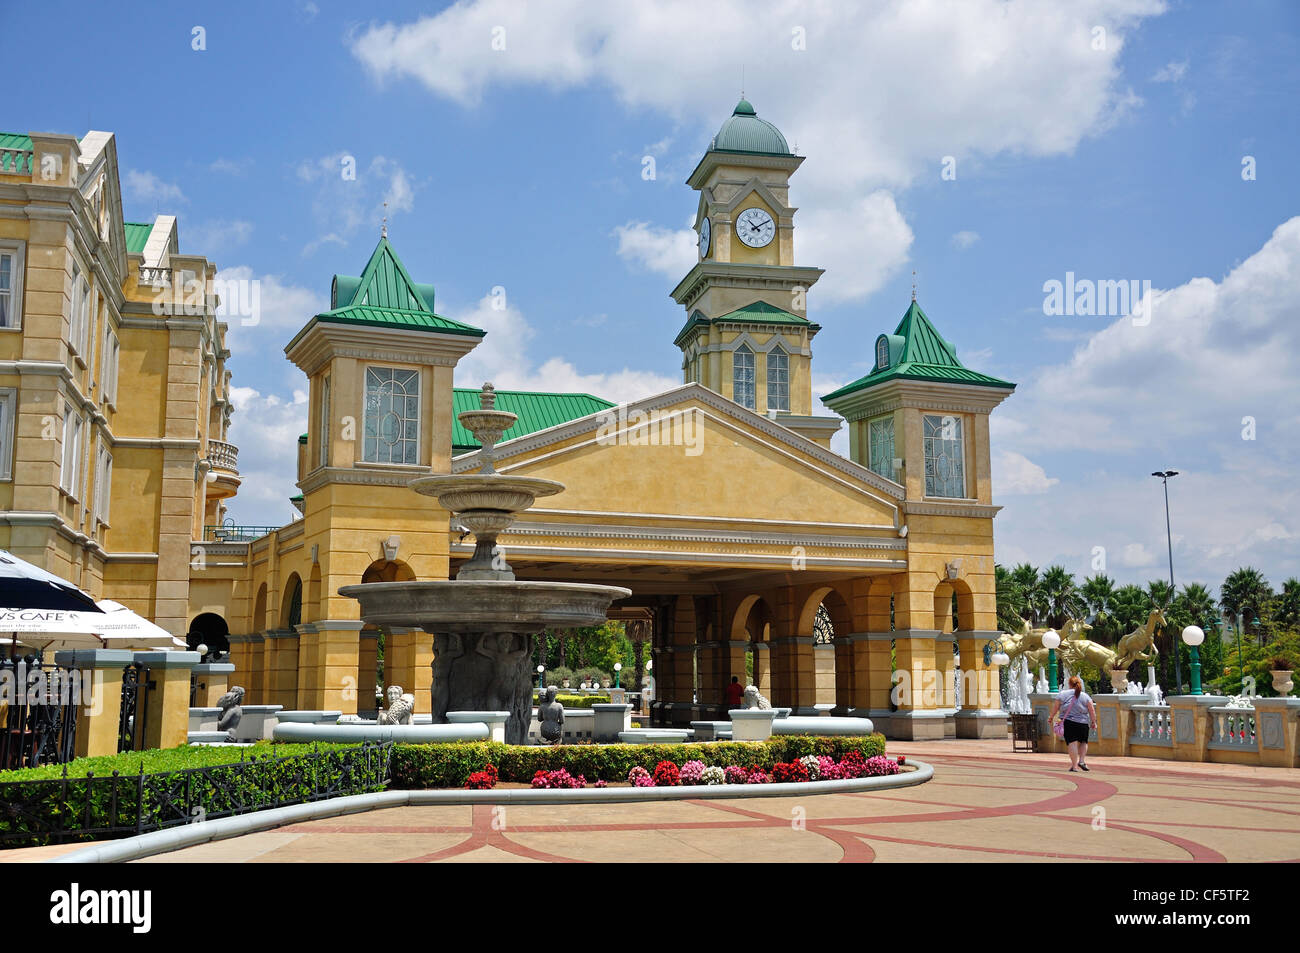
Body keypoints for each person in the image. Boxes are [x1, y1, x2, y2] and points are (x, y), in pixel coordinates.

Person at [1049, 675, 1098, 772]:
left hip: (1069, 722)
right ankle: (1082, 761)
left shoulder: (1062, 694)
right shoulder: (1085, 696)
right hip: (1083, 723)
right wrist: (1093, 722)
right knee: (1084, 742)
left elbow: (1056, 707)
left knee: (1072, 743)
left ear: (1069, 684)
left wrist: (1051, 717)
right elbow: (1092, 710)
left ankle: (1074, 766)